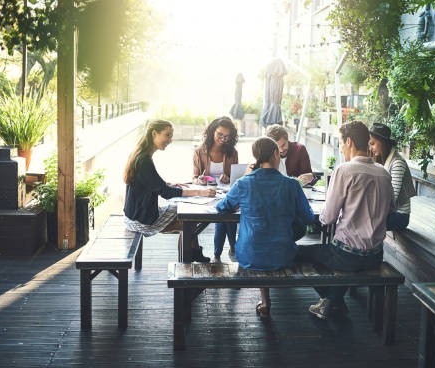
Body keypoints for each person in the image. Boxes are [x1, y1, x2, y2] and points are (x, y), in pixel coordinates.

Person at [295, 121, 395, 319]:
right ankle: (333, 301)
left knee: (298, 254)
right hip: (375, 255)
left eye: (340, 143)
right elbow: (390, 209)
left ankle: (333, 300)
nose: (340, 148)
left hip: (347, 256)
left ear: (349, 141)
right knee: (326, 252)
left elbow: (328, 217)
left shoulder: (344, 170)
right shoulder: (384, 173)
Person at [216, 137, 315, 317]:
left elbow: (221, 208)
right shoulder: (292, 184)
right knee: (274, 236)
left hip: (248, 254)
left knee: (261, 237)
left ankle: (266, 301)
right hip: (283, 254)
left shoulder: (243, 183)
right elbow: (308, 218)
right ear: (276, 154)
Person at [123, 119, 215, 262]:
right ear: (154, 133)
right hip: (140, 219)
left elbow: (149, 182)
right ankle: (185, 262)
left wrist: (168, 184)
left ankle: (194, 253)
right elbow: (166, 193)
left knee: (188, 218)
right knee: (188, 223)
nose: (170, 140)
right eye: (167, 135)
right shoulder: (144, 160)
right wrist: (199, 192)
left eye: (171, 136)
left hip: (134, 214)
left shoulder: (140, 155)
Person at [193, 116, 239, 262]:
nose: (223, 139)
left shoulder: (232, 152)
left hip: (226, 194)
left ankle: (217, 254)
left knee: (225, 214)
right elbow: (194, 178)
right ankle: (232, 248)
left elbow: (237, 178)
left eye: (227, 136)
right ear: (212, 131)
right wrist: (199, 180)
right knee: (225, 214)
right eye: (220, 134)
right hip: (207, 195)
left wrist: (229, 176)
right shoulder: (199, 152)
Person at [369, 122, 416, 231]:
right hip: (388, 212)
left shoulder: (397, 162)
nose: (370, 148)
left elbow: (392, 199)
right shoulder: (383, 160)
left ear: (383, 142)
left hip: (399, 216)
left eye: (373, 143)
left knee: (363, 220)